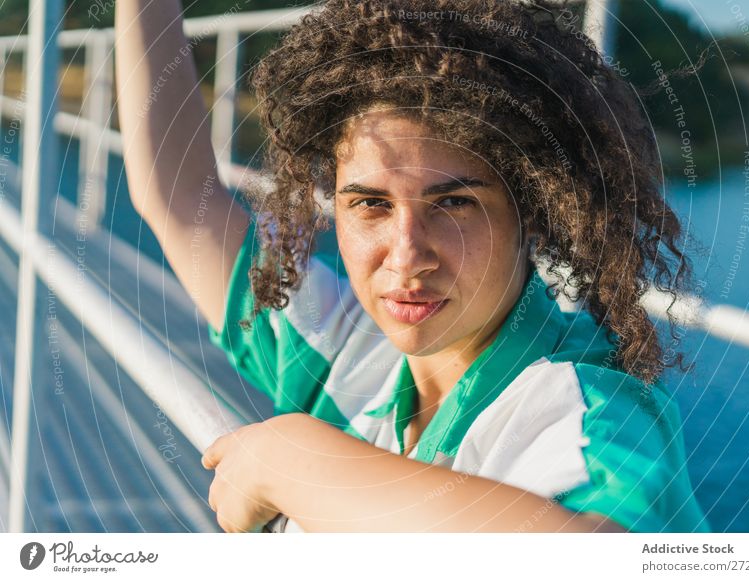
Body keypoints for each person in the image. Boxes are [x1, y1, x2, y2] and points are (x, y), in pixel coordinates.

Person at [116, 0, 711, 533]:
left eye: (453, 203)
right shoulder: (349, 348)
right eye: (371, 204)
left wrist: (301, 462)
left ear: (533, 211)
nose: (405, 255)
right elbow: (180, 197)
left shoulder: (586, 410)